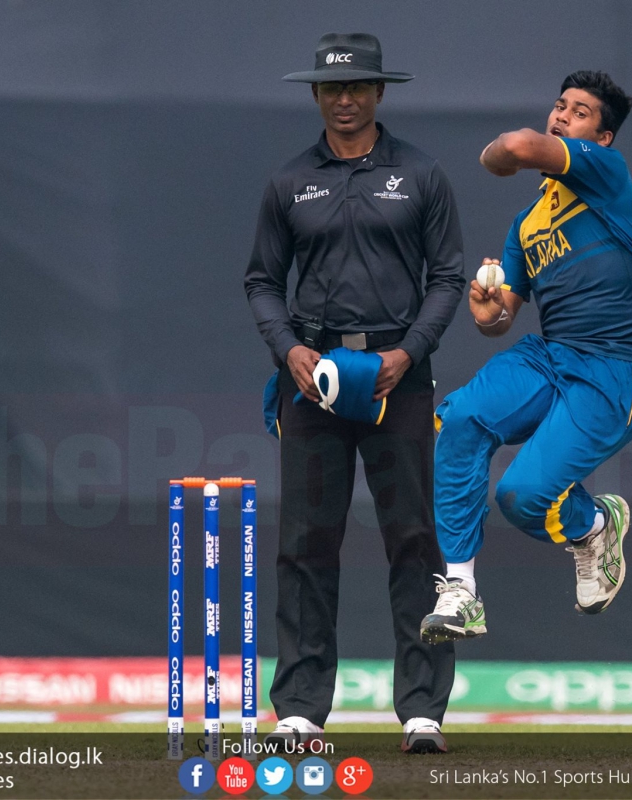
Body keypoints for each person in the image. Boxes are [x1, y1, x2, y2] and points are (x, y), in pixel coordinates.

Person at [244, 33, 465, 753]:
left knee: (416, 538)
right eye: (333, 89)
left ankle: (423, 711)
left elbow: (448, 278)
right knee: (306, 540)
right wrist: (289, 350)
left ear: (379, 92)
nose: (345, 100)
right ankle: (301, 708)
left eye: (358, 88)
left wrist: (408, 353)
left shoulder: (421, 174)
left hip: (400, 376)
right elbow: (262, 281)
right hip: (313, 379)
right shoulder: (288, 182)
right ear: (315, 94)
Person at [420, 71, 632, 644]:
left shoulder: (605, 172)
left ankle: (596, 524)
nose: (562, 115)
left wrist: (502, 156)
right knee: (460, 419)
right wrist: (488, 311)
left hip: (613, 368)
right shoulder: (526, 224)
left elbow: (513, 147)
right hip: (551, 357)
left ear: (601, 138)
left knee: (523, 499)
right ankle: (461, 591)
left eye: (580, 112)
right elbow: (500, 318)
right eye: (560, 105)